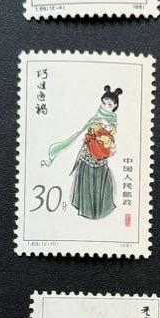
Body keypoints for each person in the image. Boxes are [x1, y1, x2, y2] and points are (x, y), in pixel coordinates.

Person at [42, 85, 121, 220]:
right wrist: (96, 129)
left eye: (109, 104)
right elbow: (87, 130)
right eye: (104, 103)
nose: (105, 106)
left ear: (115, 106)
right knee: (87, 180)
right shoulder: (96, 117)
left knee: (99, 181)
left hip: (100, 155)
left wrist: (104, 130)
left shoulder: (112, 119)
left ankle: (99, 210)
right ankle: (86, 209)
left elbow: (112, 132)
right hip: (88, 153)